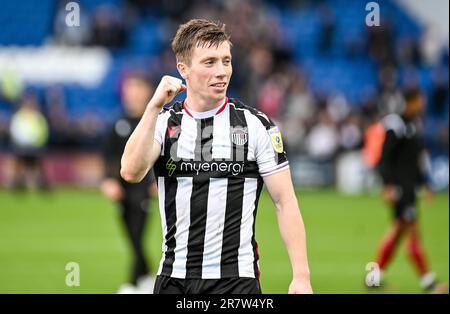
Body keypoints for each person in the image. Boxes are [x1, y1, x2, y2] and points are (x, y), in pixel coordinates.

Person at [120, 19, 312, 294]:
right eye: (210, 62)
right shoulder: (164, 122)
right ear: (183, 70)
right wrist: (153, 106)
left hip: (237, 282)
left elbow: (285, 201)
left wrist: (301, 275)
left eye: (226, 61)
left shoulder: (256, 125)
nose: (222, 71)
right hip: (175, 279)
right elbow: (131, 171)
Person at [373, 87, 447, 293]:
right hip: (400, 189)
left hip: (409, 188)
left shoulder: (413, 125)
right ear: (411, 101)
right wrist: (387, 184)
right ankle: (428, 282)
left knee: (398, 233)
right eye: (419, 100)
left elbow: (415, 162)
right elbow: (384, 158)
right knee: (411, 232)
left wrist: (426, 184)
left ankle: (374, 278)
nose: (422, 104)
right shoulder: (395, 125)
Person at [101, 72, 157, 293]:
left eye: (136, 89)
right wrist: (108, 181)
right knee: (131, 237)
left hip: (144, 191)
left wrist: (159, 182)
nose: (132, 94)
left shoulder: (154, 122)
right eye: (129, 90)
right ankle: (147, 277)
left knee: (136, 236)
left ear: (147, 92)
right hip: (123, 193)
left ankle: (132, 284)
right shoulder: (119, 124)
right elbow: (110, 157)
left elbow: (161, 154)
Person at [9, 95, 49, 190]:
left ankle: (41, 185)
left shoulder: (38, 117)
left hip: (35, 146)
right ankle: (18, 185)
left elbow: (43, 131)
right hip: (21, 146)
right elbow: (14, 130)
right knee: (20, 166)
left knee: (37, 167)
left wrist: (38, 142)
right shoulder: (19, 117)